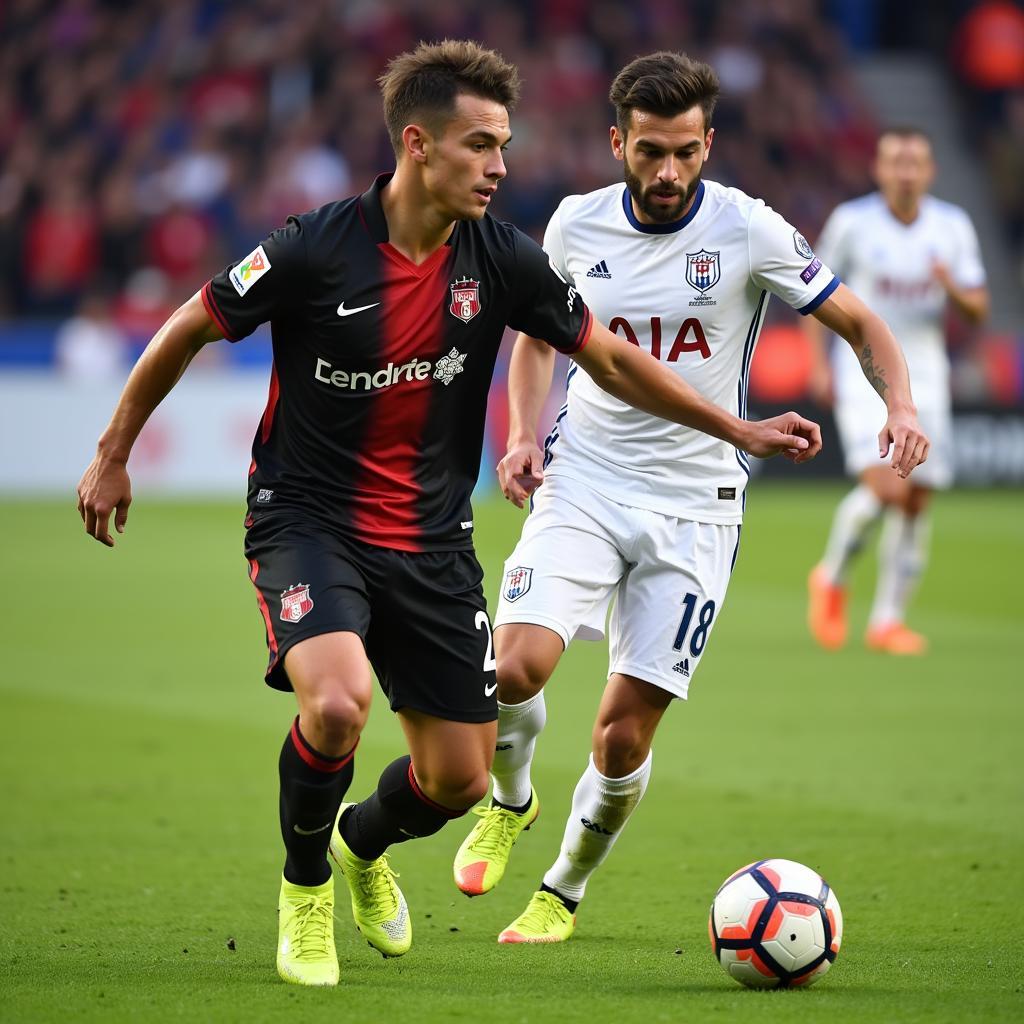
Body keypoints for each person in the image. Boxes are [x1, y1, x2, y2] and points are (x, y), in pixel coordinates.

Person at [76, 40, 824, 988]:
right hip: (308, 519)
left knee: (460, 781)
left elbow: (614, 361)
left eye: (504, 144)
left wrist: (737, 427)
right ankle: (304, 889)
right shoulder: (315, 246)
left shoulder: (500, 258)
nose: (500, 165)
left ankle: (356, 846)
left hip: (431, 541)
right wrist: (112, 452)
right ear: (418, 145)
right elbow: (189, 324)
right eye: (481, 145)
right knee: (339, 704)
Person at [451, 51, 928, 943]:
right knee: (510, 670)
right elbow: (534, 341)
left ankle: (562, 890)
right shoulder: (574, 225)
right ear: (617, 141)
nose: (667, 173)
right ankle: (509, 801)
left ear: (709, 143)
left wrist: (899, 402)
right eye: (648, 152)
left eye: (684, 152)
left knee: (622, 740)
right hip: (585, 477)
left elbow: (860, 321)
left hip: (699, 505)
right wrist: (520, 434)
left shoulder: (748, 230)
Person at [807, 127, 988, 655]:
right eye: (896, 162)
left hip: (927, 372)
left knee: (917, 500)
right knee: (889, 487)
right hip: (866, 370)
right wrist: (819, 364)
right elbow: (812, 291)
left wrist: (950, 285)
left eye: (915, 163)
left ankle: (887, 620)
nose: (906, 172)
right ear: (879, 170)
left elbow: (978, 310)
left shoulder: (952, 226)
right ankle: (831, 576)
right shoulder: (852, 223)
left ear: (929, 172)